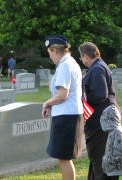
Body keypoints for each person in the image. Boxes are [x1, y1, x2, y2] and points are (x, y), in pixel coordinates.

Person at [42, 35, 84, 180]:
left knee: (64, 159)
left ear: (54, 50)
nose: (50, 57)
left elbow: (62, 94)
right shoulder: (69, 63)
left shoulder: (65, 65)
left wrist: (47, 103)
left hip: (67, 117)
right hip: (69, 115)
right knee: (64, 158)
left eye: (49, 53)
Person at [78, 42, 119, 180]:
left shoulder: (97, 69)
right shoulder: (100, 66)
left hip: (99, 124)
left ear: (85, 56)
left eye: (81, 58)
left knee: (99, 163)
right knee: (97, 161)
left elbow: (100, 95)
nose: (82, 61)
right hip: (103, 121)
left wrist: (81, 96)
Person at [100, 105, 122, 180]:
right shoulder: (114, 130)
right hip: (112, 170)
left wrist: (108, 161)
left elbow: (119, 153)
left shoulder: (116, 132)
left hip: (117, 170)